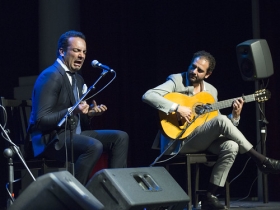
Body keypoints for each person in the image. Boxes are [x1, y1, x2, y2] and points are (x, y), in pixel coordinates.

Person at [142, 50, 280, 210]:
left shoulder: (211, 91)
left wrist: (234, 117)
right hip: (178, 140)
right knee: (222, 123)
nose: (194, 72)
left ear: (208, 74)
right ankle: (261, 160)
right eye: (193, 67)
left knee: (231, 146)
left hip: (200, 139)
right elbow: (148, 95)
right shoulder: (176, 80)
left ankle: (210, 196)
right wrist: (177, 107)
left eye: (200, 70)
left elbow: (217, 124)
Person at [28, 30, 129, 186]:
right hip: (51, 139)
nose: (81, 55)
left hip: (73, 133)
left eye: (84, 52)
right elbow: (40, 121)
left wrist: (89, 113)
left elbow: (78, 117)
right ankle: (77, 195)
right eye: (76, 50)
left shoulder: (78, 79)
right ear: (62, 51)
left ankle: (115, 190)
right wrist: (73, 110)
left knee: (120, 137)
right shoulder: (51, 76)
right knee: (93, 146)